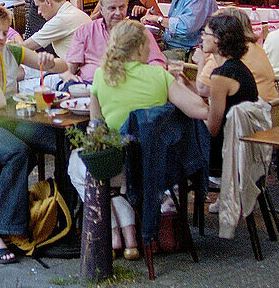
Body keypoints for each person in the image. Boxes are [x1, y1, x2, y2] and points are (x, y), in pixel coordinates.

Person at [69, 20, 208, 259]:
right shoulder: (159, 75)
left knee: (78, 165)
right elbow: (201, 111)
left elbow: (96, 129)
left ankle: (115, 231)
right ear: (140, 48)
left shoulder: (102, 76)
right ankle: (130, 233)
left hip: (120, 168)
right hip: (159, 168)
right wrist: (182, 82)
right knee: (121, 175)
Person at [0, 3, 66, 265]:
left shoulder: (11, 51)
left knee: (63, 141)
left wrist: (52, 61)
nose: (3, 38)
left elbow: (59, 66)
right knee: (18, 153)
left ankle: (66, 213)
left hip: (12, 122)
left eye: (5, 32)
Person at [57, 0, 165, 96]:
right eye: (112, 8)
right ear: (101, 10)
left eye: (122, 7)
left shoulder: (140, 32)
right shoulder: (86, 31)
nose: (118, 13)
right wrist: (68, 76)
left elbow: (157, 64)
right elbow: (69, 67)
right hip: (91, 89)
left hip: (130, 90)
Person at [201, 12, 260, 175]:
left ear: (218, 39)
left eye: (206, 34)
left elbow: (212, 129)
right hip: (244, 147)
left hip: (225, 154)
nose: (202, 38)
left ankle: (171, 198)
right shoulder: (240, 69)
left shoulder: (221, 76)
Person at [193, 8, 278, 101]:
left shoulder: (225, 52)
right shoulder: (255, 47)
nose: (203, 37)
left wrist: (201, 61)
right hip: (273, 107)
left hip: (250, 111)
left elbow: (203, 89)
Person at [22, 0, 91, 59]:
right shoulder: (76, 13)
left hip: (79, 69)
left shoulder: (61, 20)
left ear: (48, 1)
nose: (38, 12)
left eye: (38, 6)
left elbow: (26, 46)